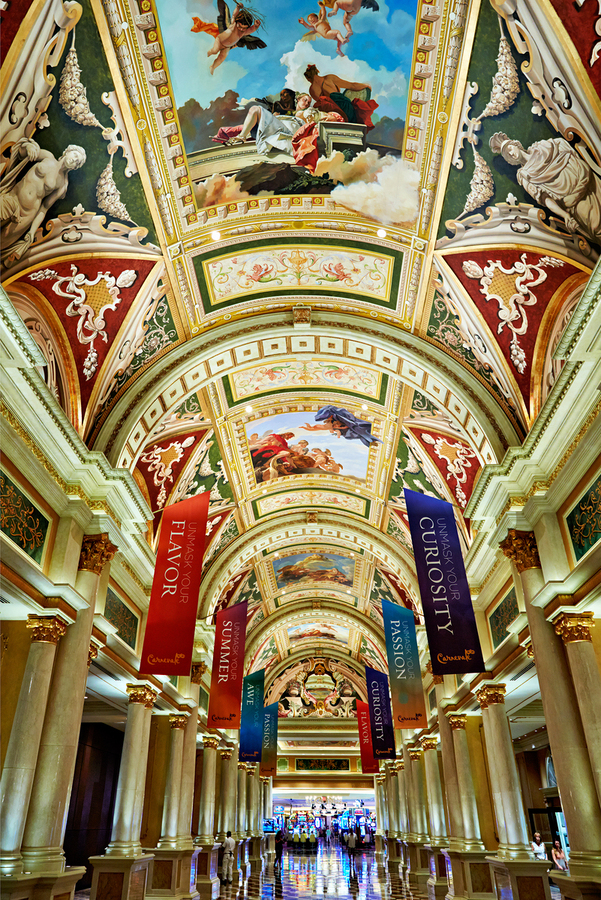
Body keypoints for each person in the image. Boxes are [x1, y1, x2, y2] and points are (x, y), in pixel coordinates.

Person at [489, 132, 601, 243]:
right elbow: (545, 200)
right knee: (597, 227)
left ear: (515, 144)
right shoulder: (524, 176)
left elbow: (564, 148)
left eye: (510, 149)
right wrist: (565, 215)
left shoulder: (542, 147)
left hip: (586, 179)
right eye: (508, 156)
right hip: (574, 200)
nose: (511, 154)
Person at [1, 138, 86, 264]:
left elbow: (44, 208)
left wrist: (32, 231)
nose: (74, 160)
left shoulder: (62, 185)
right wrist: (28, 147)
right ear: (68, 151)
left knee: (2, 241)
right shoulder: (48, 157)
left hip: (26, 215)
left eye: (77, 162)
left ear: (75, 167)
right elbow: (21, 153)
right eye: (75, 155)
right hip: (13, 198)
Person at [303, 64, 378, 128]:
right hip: (344, 106)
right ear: (317, 71)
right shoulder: (329, 78)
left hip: (333, 112)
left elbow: (323, 105)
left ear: (308, 78)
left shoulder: (312, 90)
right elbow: (352, 86)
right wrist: (365, 86)